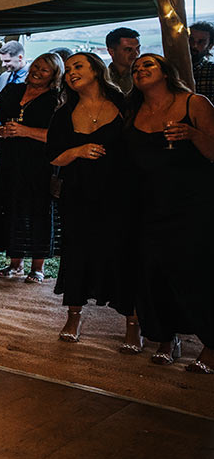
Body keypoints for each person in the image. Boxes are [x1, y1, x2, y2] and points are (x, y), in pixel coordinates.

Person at [124, 53, 214, 370]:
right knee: (152, 274)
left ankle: (210, 344)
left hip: (193, 204)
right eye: (135, 68)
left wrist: (192, 134)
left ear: (166, 72)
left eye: (148, 64)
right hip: (147, 205)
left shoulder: (194, 103)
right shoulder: (133, 110)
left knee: (194, 273)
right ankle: (166, 337)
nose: (140, 69)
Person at [48, 53, 135, 345]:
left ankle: (133, 322)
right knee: (77, 254)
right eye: (68, 69)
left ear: (96, 71)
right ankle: (74, 315)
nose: (71, 72)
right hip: (78, 195)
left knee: (122, 254)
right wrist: (77, 151)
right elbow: (53, 157)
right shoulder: (63, 113)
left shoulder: (124, 106)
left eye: (78, 67)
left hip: (119, 194)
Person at [0, 52, 63, 283]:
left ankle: (37, 268)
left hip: (38, 164)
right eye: (36, 66)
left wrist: (24, 131)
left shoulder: (56, 99)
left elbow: (60, 136)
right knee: (11, 207)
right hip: (8, 161)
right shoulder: (12, 89)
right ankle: (15, 264)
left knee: (37, 211)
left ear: (54, 76)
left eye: (44, 70)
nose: (37, 72)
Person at [104, 27, 140, 95]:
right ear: (111, 52)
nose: (136, 53)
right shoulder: (102, 79)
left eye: (137, 48)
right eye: (128, 49)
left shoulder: (143, 76)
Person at [189, 21, 214, 103]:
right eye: (191, 40)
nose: (194, 45)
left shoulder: (212, 71)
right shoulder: (170, 69)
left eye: (201, 42)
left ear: (210, 46)